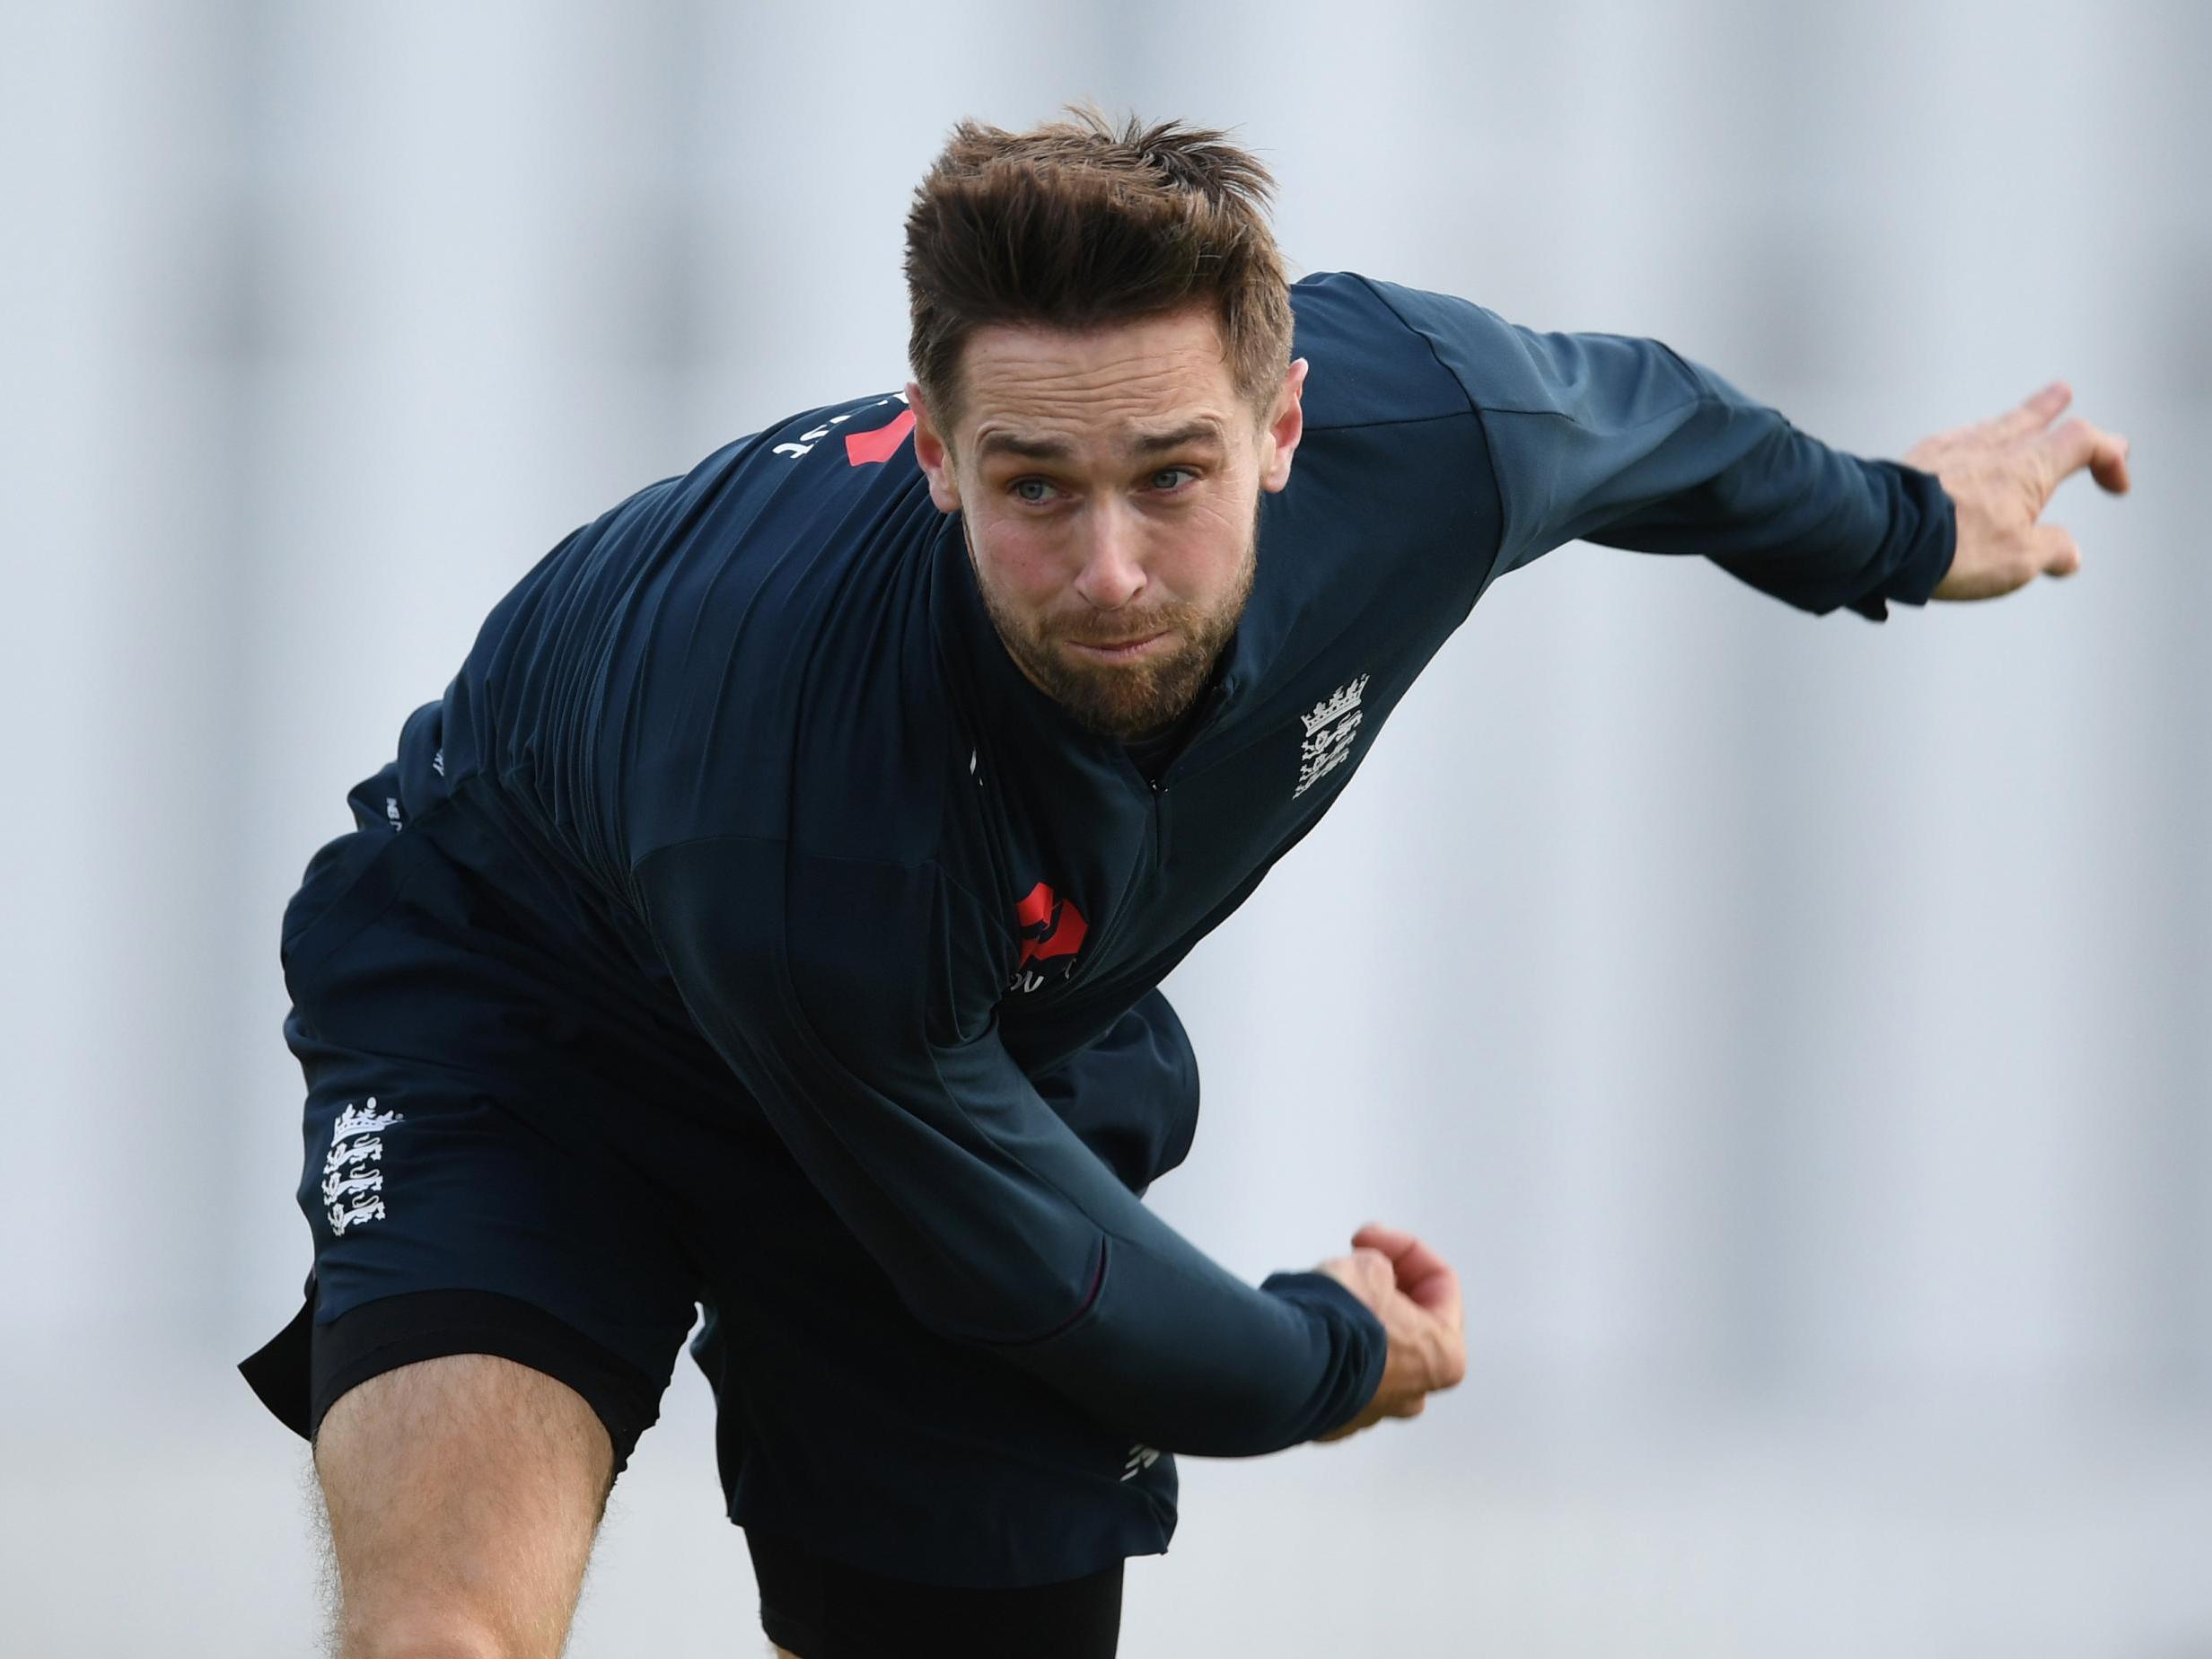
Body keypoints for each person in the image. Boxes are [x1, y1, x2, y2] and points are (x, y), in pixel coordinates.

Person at [237, 104, 2132, 1659]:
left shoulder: (1435, 430)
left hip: (962, 1025)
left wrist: (1893, 522)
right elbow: (1054, 1277)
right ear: (933, 458)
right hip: (531, 1019)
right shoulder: (809, 804)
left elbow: (1640, 421)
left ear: (1287, 428)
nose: (1114, 570)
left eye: (1171, 474)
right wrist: (1324, 1355)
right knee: (441, 1642)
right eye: (1035, 489)